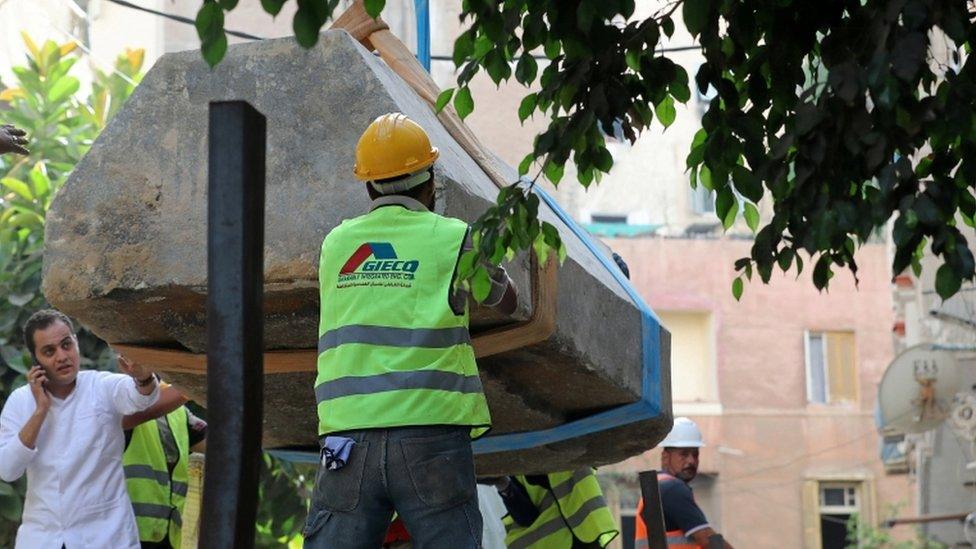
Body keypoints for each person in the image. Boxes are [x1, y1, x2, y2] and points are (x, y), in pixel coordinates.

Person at [303, 112, 517, 548]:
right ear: (430, 181)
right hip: (430, 436)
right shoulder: (454, 238)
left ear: (367, 185)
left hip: (347, 439)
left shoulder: (336, 244)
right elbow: (507, 301)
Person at [0, 308, 160, 548]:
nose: (62, 356)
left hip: (106, 536)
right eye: (49, 351)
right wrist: (40, 411)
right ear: (36, 361)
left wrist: (144, 378)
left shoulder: (101, 386)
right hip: (42, 538)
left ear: (76, 342)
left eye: (66, 344)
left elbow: (140, 398)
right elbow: (7, 469)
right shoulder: (21, 401)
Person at [122, 384, 207, 549]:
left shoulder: (179, 413)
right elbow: (152, 407)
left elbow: (221, 446)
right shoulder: (123, 402)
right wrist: (194, 383)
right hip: (126, 533)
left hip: (167, 535)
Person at [635, 417, 734, 549]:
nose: (691, 461)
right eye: (684, 454)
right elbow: (706, 538)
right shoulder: (672, 489)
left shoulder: (659, 487)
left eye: (695, 454)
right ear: (665, 457)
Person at [494, 469, 619, 548]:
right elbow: (526, 517)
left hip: (583, 535)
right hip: (570, 538)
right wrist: (505, 486)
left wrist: (505, 486)